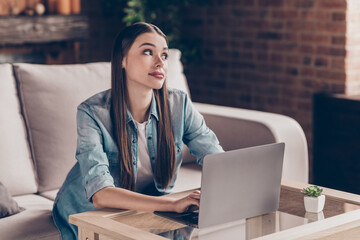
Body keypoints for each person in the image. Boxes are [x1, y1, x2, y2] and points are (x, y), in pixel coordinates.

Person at [52, 22, 223, 239]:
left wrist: (231, 181)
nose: (159, 61)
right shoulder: (92, 112)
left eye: (164, 55)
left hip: (145, 204)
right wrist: (171, 204)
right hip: (87, 207)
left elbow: (215, 156)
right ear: (122, 60)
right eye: (148, 52)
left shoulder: (179, 104)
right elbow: (100, 194)